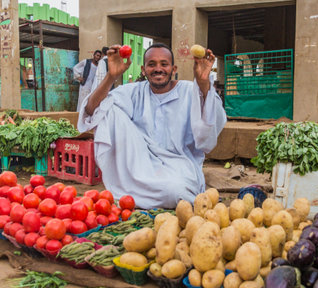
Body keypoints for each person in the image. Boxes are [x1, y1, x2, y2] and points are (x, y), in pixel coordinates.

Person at [77, 43, 227, 209]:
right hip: (139, 165)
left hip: (179, 165)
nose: (158, 69)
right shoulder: (134, 91)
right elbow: (91, 111)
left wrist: (203, 83)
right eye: (151, 64)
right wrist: (111, 77)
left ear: (173, 68)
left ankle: (141, 194)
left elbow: (212, 121)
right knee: (107, 110)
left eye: (164, 64)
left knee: (174, 192)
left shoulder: (189, 91)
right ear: (143, 69)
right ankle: (129, 187)